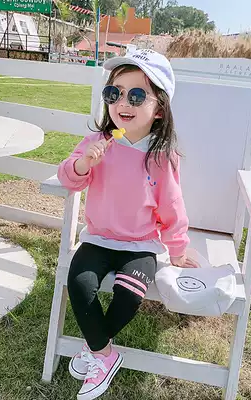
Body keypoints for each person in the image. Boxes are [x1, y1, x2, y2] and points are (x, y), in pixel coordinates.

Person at [57, 48, 198, 400]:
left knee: (130, 294)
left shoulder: (161, 157)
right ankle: (105, 354)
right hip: (98, 239)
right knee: (79, 284)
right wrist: (83, 165)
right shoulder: (97, 143)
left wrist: (178, 250)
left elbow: (172, 207)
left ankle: (94, 349)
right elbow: (68, 177)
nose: (123, 102)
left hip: (140, 245)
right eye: (114, 93)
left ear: (159, 109)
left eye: (136, 95)